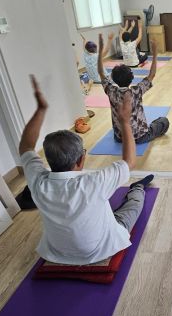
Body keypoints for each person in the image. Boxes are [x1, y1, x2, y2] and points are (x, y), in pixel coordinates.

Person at [18, 75, 154, 266]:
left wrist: (41, 110)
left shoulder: (38, 183)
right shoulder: (94, 181)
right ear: (81, 160)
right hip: (101, 251)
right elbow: (130, 162)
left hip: (57, 253)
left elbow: (26, 147)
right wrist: (124, 121)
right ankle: (138, 188)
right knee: (133, 207)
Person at [98, 33, 170, 143]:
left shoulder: (111, 91)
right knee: (164, 121)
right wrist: (155, 54)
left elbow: (101, 73)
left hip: (120, 137)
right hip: (140, 136)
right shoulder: (136, 91)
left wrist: (99, 54)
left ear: (114, 79)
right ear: (131, 78)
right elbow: (152, 75)